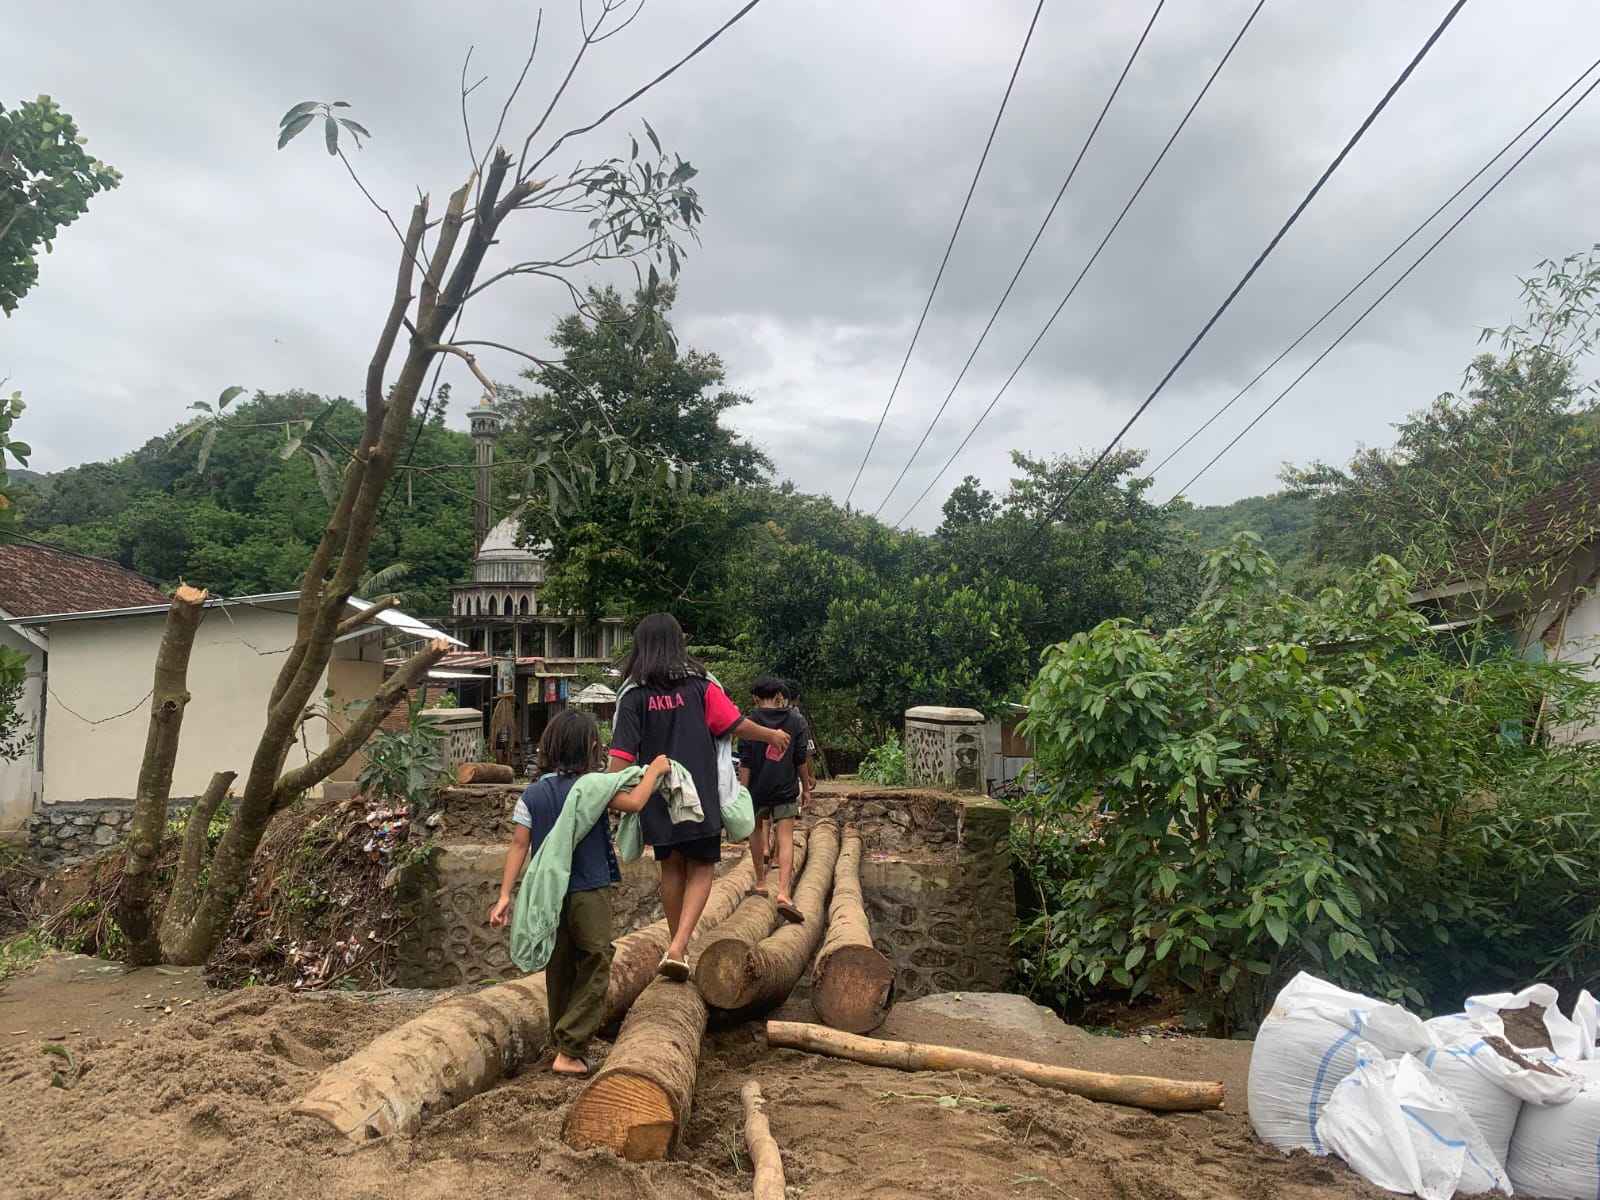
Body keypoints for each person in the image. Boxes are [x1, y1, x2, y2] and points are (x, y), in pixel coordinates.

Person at [607, 612, 791, 980]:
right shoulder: (700, 686)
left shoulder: (633, 695)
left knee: (671, 867)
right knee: (702, 866)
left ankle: (678, 946)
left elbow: (620, 758)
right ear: (679, 644)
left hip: (657, 796)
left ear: (641, 647)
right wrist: (771, 735)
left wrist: (609, 790)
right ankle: (678, 947)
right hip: (700, 795)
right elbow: (734, 724)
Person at [488, 709, 669, 1076]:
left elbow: (519, 845)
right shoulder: (593, 787)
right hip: (588, 888)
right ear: (590, 748)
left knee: (560, 964)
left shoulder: (533, 794)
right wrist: (655, 771)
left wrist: (505, 895)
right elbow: (635, 802)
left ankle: (562, 1039)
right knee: (597, 960)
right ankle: (570, 1048)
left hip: (548, 894)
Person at [739, 675, 813, 922]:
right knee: (786, 837)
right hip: (785, 788)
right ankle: (783, 893)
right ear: (780, 696)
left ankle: (761, 882)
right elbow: (800, 758)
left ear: (755, 698)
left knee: (755, 832)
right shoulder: (796, 720)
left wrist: (743, 791)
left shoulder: (749, 723)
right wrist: (806, 787)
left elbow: (745, 762)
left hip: (756, 789)